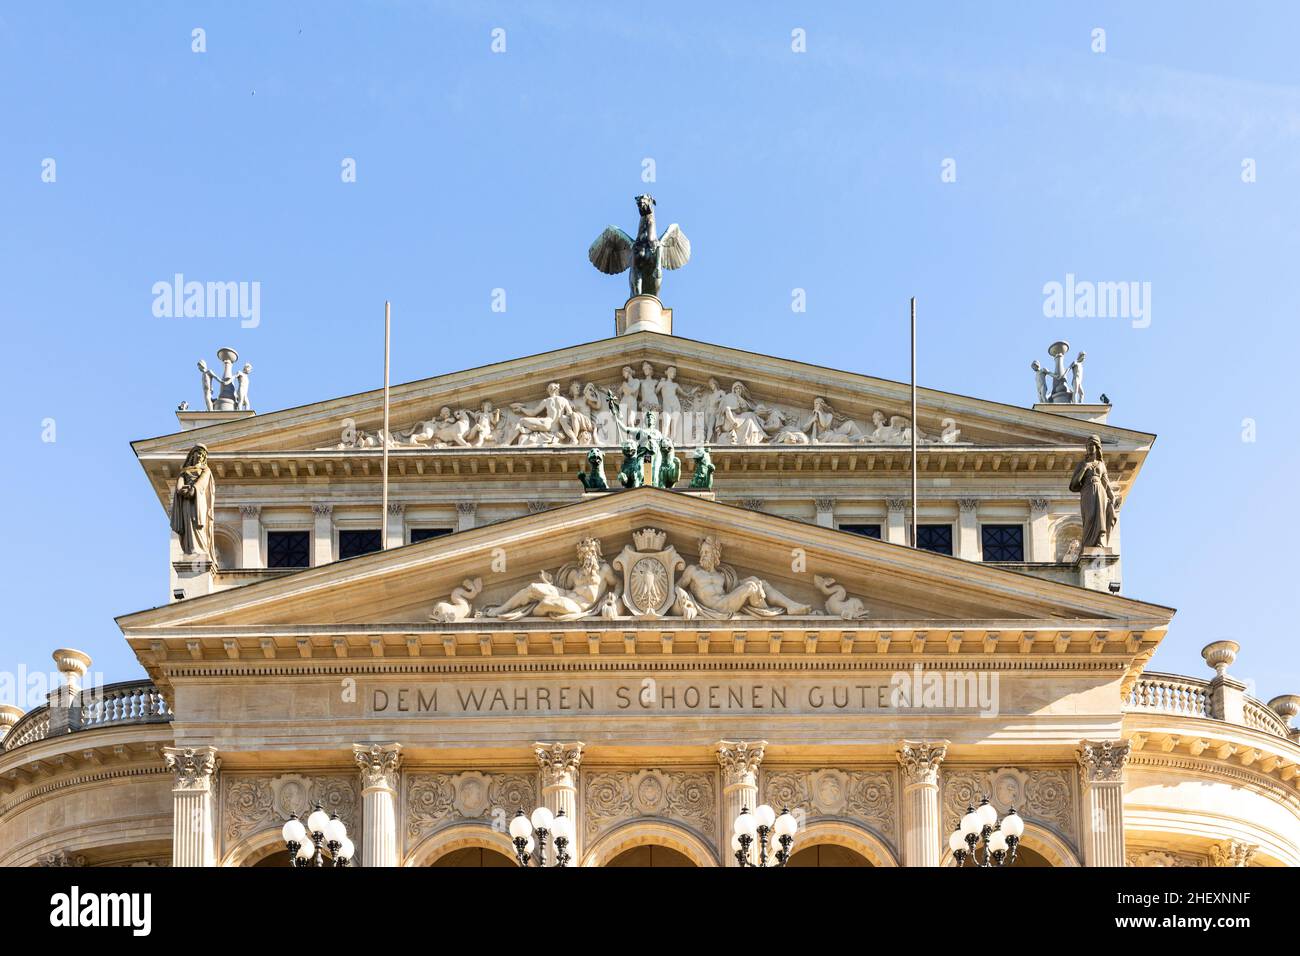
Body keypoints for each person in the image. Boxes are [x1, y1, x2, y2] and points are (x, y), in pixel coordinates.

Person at [1069, 434, 1117, 549]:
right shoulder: (1082, 464)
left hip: (1100, 492)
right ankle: (1088, 544)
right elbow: (1074, 484)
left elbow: (1106, 483)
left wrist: (1112, 497)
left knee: (1100, 516)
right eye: (1088, 445)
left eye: (1092, 445)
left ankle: (1100, 541)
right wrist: (1084, 468)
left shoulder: (1101, 464)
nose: (1090, 447)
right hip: (1087, 492)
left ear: (1097, 447)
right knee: (1089, 517)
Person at [170, 444, 216, 562]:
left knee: (198, 525)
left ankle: (199, 549)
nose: (200, 456)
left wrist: (193, 489)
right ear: (193, 454)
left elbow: (202, 483)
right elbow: (179, 486)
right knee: (189, 524)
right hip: (187, 501)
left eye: (202, 454)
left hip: (199, 501)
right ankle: (190, 549)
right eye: (198, 453)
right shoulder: (184, 472)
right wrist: (182, 490)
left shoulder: (206, 470)